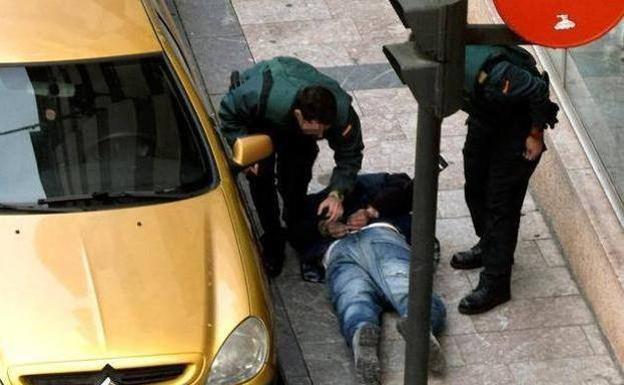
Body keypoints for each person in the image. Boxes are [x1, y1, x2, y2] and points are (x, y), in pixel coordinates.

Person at [291, 173, 447, 384]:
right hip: (339, 252)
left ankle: (406, 328)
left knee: (380, 291)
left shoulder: (366, 184)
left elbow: (407, 187)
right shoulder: (315, 203)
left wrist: (371, 210)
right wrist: (324, 227)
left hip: (378, 236)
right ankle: (366, 335)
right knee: (357, 296)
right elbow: (295, 232)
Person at [218, 56, 364, 277]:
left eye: (325, 130)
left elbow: (350, 155)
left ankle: (294, 219)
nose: (322, 136)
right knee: (261, 177)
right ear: (299, 116)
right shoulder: (261, 96)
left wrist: (337, 193)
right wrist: (243, 148)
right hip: (261, 120)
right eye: (316, 130)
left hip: (296, 132)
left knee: (297, 173)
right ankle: (272, 238)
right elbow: (228, 113)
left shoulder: (342, 115)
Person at [452, 45, 560, 314]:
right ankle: (488, 244)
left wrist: (535, 135)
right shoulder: (452, 68)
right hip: (487, 115)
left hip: (519, 128)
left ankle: (496, 282)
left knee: (501, 201)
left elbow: (537, 90)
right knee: (475, 184)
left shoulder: (495, 72)